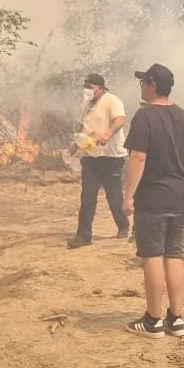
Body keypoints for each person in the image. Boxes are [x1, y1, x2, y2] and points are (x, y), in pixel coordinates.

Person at [122, 63, 184, 338]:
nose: (141, 86)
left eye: (143, 82)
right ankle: (176, 319)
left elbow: (138, 158)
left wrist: (128, 194)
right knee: (174, 255)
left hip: (152, 196)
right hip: (178, 196)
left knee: (152, 255)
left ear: (152, 85)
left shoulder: (144, 117)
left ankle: (153, 320)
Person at [67, 72, 129, 249]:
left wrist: (108, 134)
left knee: (114, 195)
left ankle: (123, 225)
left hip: (111, 156)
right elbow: (82, 127)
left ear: (100, 88)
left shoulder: (112, 101)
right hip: (90, 156)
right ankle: (83, 235)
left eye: (90, 87)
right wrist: (74, 148)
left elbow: (120, 120)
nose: (87, 90)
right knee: (88, 196)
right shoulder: (85, 104)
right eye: (85, 86)